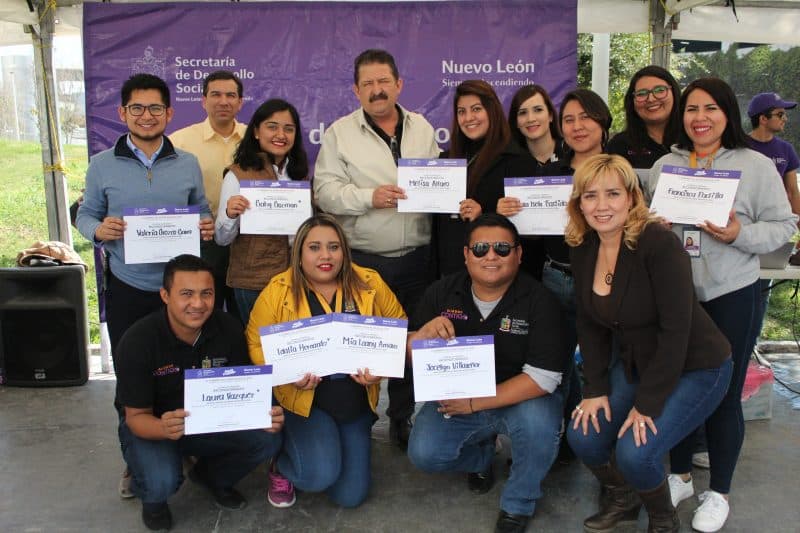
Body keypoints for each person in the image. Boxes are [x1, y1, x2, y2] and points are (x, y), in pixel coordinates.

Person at [649, 78, 797, 532]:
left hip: (732, 292)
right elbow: (647, 225)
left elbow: (783, 226)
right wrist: (654, 227)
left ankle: (719, 492)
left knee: (726, 394)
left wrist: (739, 235)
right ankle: (679, 476)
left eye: (711, 108)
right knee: (677, 387)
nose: (700, 118)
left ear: (728, 113)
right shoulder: (666, 166)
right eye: (692, 109)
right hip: (677, 297)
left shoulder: (755, 165)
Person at [564, 154, 732, 533]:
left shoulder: (658, 243)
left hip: (696, 366)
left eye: (612, 194)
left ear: (631, 197)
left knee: (636, 453)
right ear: (579, 204)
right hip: (638, 363)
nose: (602, 205)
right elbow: (590, 324)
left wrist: (646, 405)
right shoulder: (583, 245)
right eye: (590, 195)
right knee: (583, 436)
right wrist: (595, 388)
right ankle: (623, 499)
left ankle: (663, 519)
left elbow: (676, 332)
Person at [76, 73, 214, 499]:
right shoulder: (101, 164)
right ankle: (135, 460)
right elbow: (85, 215)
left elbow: (201, 210)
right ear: (123, 113)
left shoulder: (187, 162)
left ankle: (184, 446)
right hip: (130, 288)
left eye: (155, 108)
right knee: (132, 380)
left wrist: (205, 225)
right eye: (137, 107)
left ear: (169, 113)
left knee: (185, 374)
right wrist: (99, 230)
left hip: (181, 294)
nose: (146, 115)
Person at [407, 214, 568, 533]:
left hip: (522, 398)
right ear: (466, 255)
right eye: (481, 249)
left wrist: (474, 403)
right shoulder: (441, 292)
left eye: (502, 249)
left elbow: (544, 378)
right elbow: (409, 356)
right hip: (459, 398)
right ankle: (481, 458)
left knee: (539, 428)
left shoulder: (541, 300)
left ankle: (518, 503)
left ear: (519, 255)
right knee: (424, 454)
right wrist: (418, 338)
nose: (491, 256)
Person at [314, 49, 440, 449]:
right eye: (367, 83)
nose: (376, 90)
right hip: (365, 261)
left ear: (398, 84)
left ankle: (401, 417)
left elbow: (439, 182)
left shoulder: (422, 128)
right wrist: (370, 197)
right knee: (362, 345)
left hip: (418, 259)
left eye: (383, 81)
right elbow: (325, 192)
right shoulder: (339, 133)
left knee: (412, 341)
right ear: (356, 90)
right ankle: (358, 421)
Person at [114, 254, 284, 531]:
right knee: (160, 480)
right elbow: (135, 417)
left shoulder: (229, 328)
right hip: (156, 424)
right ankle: (153, 500)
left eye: (207, 293)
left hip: (210, 421)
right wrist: (162, 428)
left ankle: (211, 477)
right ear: (165, 295)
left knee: (268, 440)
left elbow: (244, 388)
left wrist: (262, 414)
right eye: (186, 294)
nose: (198, 303)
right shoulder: (137, 342)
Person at [247, 214, 406, 509]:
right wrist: (287, 373)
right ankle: (280, 465)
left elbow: (397, 327)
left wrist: (380, 369)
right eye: (314, 247)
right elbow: (256, 342)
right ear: (299, 253)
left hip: (353, 404)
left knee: (350, 496)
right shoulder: (278, 289)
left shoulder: (369, 281)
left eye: (334, 247)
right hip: (305, 404)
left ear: (344, 251)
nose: (325, 256)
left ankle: (337, 447)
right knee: (318, 475)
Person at [498, 88, 613, 463]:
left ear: (602, 121)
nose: (577, 126)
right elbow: (532, 234)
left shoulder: (618, 171)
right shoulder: (551, 174)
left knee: (606, 368)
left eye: (585, 118)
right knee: (555, 367)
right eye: (569, 120)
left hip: (606, 284)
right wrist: (509, 214)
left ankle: (603, 452)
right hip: (556, 279)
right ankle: (556, 445)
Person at [214, 98, 310, 325]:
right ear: (256, 132)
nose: (281, 135)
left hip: (297, 278)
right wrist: (230, 214)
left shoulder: (299, 176)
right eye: (272, 127)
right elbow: (221, 238)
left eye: (289, 129)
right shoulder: (237, 175)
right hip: (253, 281)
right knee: (258, 342)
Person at [435, 80, 535, 277]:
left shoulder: (518, 161)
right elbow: (438, 229)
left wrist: (485, 216)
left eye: (476, 109)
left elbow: (529, 233)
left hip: (494, 275)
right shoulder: (446, 160)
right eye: (461, 111)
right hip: (450, 274)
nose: (468, 118)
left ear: (492, 111)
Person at [170, 71, 247, 318]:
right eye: (216, 95)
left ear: (240, 102)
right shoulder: (179, 142)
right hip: (200, 242)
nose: (223, 101)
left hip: (245, 243)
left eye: (230, 95)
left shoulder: (255, 139)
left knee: (243, 317)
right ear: (203, 101)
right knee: (202, 314)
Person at [746, 92, 800, 352]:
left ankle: (752, 345)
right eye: (780, 114)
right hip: (742, 228)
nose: (784, 119)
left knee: (762, 289)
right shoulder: (739, 146)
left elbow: (793, 192)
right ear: (762, 118)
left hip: (772, 230)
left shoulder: (786, 150)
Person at [606, 65, 682, 170]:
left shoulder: (691, 139)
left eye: (660, 90)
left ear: (674, 93)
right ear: (632, 101)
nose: (651, 99)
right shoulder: (619, 146)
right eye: (642, 94)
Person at [508, 84, 567, 168]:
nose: (530, 119)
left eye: (538, 110)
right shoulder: (509, 162)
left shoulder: (571, 152)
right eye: (523, 113)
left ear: (550, 115)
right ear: (516, 122)